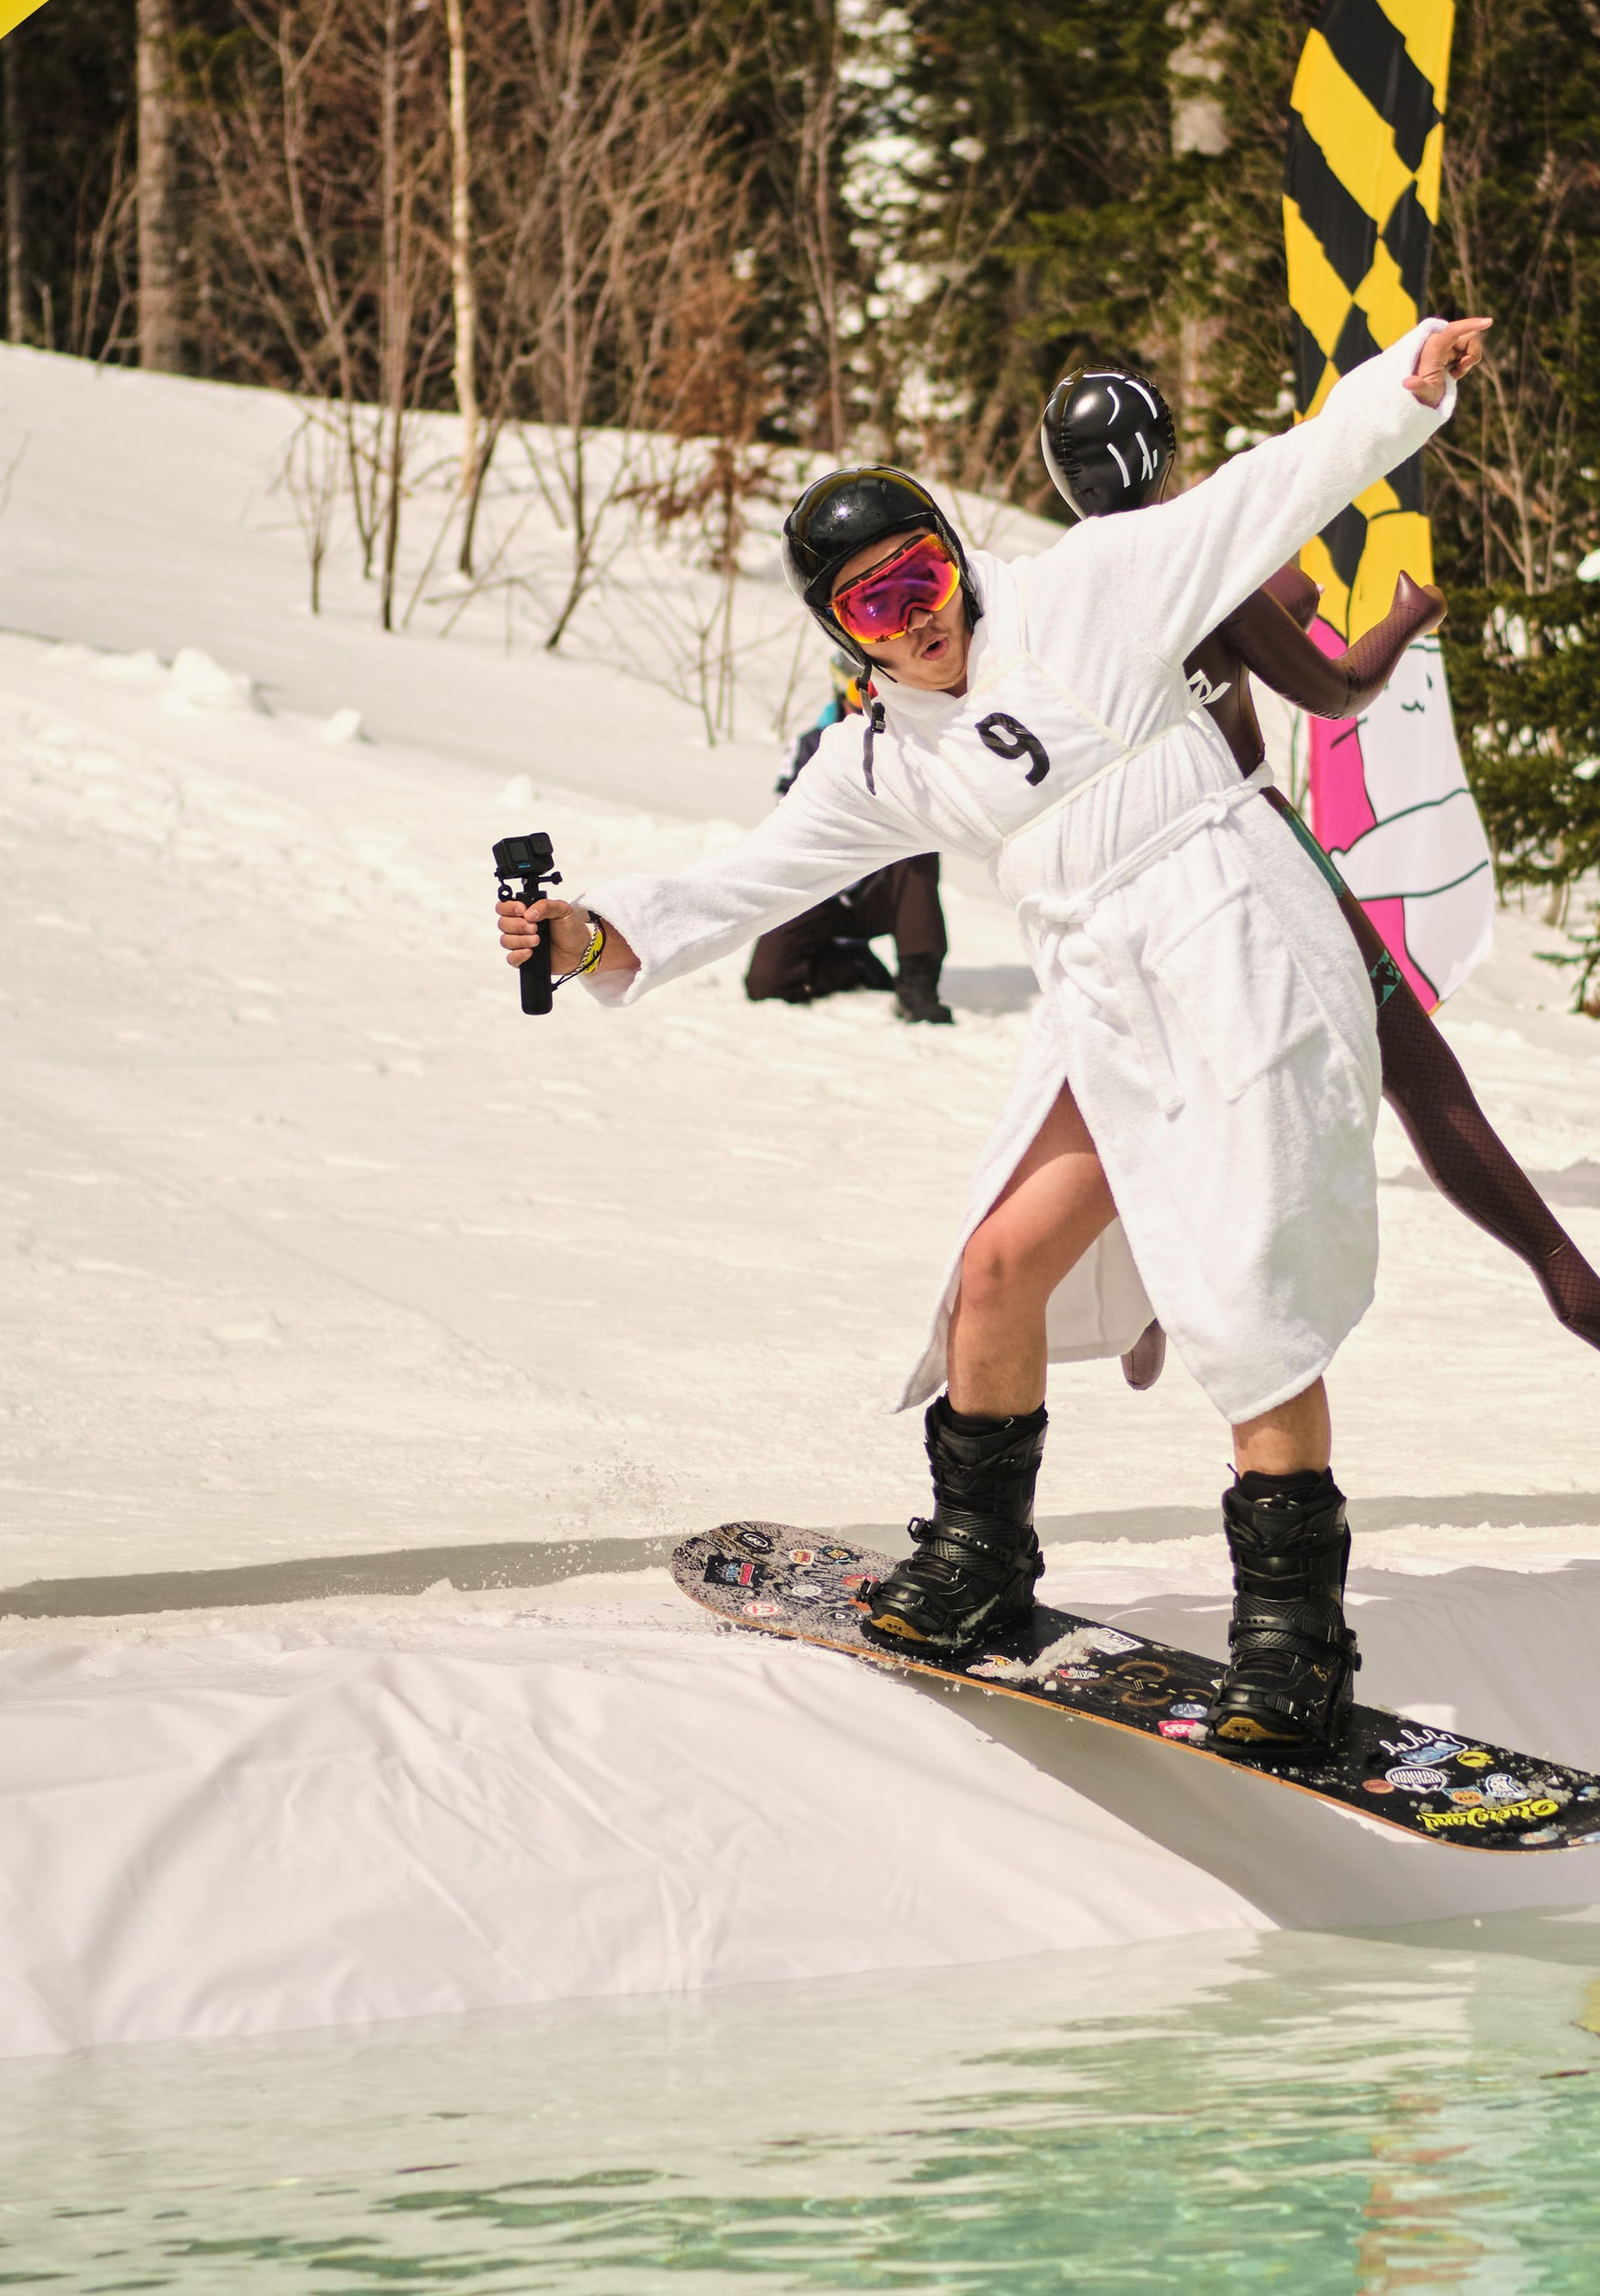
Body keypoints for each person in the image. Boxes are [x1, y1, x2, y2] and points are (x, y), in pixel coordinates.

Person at [495, 317, 1489, 1764]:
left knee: (1246, 1289)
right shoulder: (883, 754)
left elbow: (1268, 487)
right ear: (843, 634)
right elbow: (746, 882)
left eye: (920, 579)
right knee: (997, 1268)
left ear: (956, 560)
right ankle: (979, 1557)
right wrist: (591, 935)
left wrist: (1401, 386)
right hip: (1111, 992)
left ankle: (1293, 1640)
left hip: (1240, 947)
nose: (912, 621)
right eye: (871, 608)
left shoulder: (1090, 589)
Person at [1040, 363, 1600, 1397]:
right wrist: (1409, 615)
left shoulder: (1056, 603)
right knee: (1417, 1071)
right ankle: (1563, 1269)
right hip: (1256, 852)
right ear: (1161, 456)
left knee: (1157, 1089)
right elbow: (1334, 691)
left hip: (1136, 883)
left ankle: (1146, 1297)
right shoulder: (1200, 570)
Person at [744, 672, 951, 1022]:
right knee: (765, 983)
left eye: (882, 691)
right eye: (861, 691)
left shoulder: (912, 743)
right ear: (842, 689)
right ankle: (851, 964)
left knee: (919, 850)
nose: (870, 701)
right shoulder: (810, 745)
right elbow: (788, 818)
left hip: (881, 889)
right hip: (818, 889)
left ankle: (918, 984)